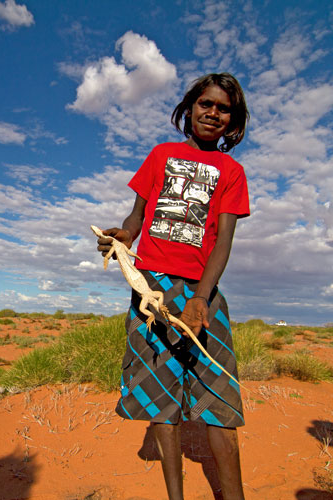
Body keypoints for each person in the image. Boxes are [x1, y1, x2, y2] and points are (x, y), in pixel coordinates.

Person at [96, 73, 250, 500]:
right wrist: (124, 238)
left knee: (220, 399)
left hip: (203, 294)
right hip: (151, 291)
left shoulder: (232, 171)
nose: (213, 113)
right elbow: (136, 217)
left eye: (223, 109)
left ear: (232, 121)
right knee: (162, 400)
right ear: (190, 107)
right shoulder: (161, 155)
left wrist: (201, 298)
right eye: (206, 103)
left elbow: (223, 242)